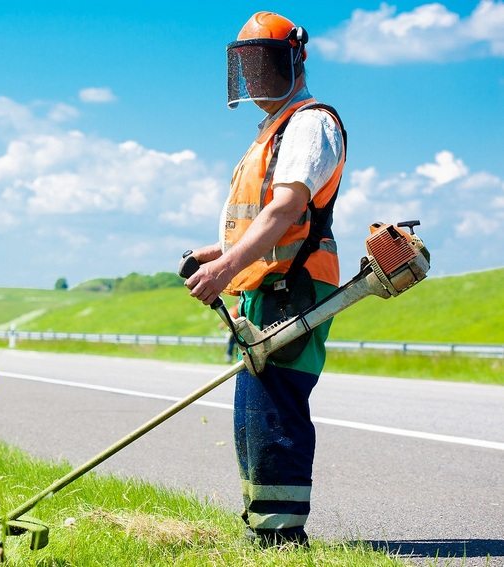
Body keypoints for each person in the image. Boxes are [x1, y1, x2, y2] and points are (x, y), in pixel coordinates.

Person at [185, 11, 346, 547]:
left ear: (294, 61)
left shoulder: (309, 122)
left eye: (264, 64)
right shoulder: (272, 132)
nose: (255, 77)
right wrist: (220, 253)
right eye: (247, 65)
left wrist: (224, 268)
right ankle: (262, 529)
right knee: (253, 412)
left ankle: (281, 538)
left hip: (292, 287)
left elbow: (284, 213)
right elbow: (264, 220)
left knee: (275, 408)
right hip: (264, 287)